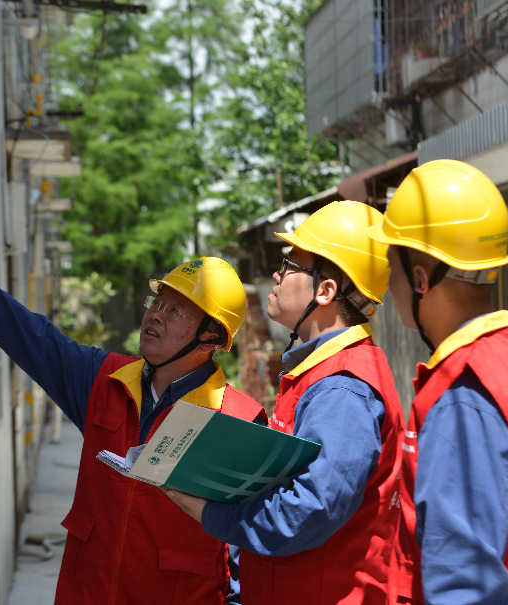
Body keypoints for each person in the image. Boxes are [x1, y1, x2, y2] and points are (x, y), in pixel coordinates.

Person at [0, 257, 266, 605]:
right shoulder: (103, 379)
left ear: (211, 338)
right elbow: (30, 336)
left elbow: (250, 550)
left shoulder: (237, 421)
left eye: (175, 311)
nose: (155, 315)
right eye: (157, 302)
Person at [167, 201, 406, 604]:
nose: (277, 274)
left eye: (290, 264)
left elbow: (311, 509)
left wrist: (211, 514)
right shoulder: (323, 372)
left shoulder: (341, 389)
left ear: (326, 291)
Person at [366, 159, 508, 604]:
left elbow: (464, 585)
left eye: (393, 265)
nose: (390, 286)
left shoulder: (463, 398)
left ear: (421, 276)